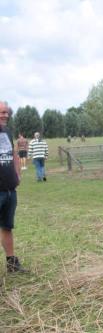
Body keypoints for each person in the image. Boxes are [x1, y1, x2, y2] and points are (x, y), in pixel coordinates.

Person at [0, 102, 27, 272]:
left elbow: (14, 154)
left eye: (7, 112)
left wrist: (17, 174)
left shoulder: (7, 132)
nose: (6, 115)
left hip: (10, 189)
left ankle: (11, 263)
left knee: (7, 226)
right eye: (2, 112)